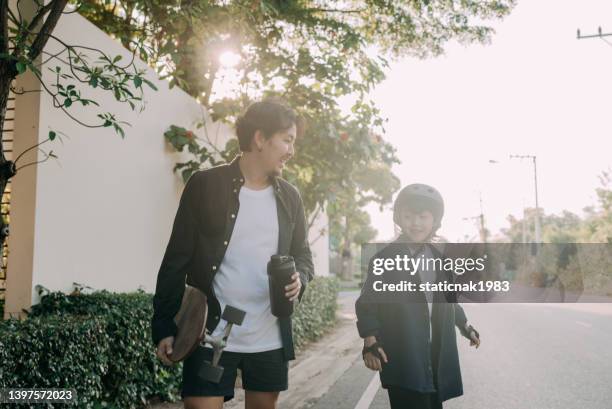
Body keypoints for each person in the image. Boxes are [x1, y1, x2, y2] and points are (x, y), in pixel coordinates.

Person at [151, 99, 314, 409]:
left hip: (269, 336)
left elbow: (303, 255)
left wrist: (300, 279)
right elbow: (176, 259)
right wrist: (164, 326)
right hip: (208, 335)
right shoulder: (205, 185)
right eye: (287, 140)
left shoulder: (290, 197)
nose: (292, 150)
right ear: (260, 138)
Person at [355, 183, 481, 409]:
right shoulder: (384, 259)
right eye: (409, 216)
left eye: (423, 216)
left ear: (435, 221)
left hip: (435, 354)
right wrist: (370, 342)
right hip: (404, 352)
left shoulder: (440, 260)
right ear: (399, 218)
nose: (416, 223)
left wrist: (465, 326)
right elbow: (368, 303)